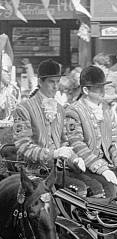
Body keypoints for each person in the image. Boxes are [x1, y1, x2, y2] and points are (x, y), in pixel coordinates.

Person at [12, 59, 87, 197]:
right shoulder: (23, 108)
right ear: (40, 82)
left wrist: (74, 158)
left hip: (58, 169)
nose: (56, 86)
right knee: (81, 187)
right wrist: (53, 153)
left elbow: (64, 141)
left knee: (94, 184)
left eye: (58, 82)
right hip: (34, 171)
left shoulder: (59, 108)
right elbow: (22, 145)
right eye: (52, 82)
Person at [65, 65, 117, 199]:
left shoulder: (106, 110)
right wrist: (102, 168)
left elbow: (115, 142)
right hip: (85, 168)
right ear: (85, 90)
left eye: (103, 87)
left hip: (108, 164)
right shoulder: (74, 111)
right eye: (98, 88)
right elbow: (77, 144)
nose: (103, 91)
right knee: (109, 187)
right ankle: (111, 219)